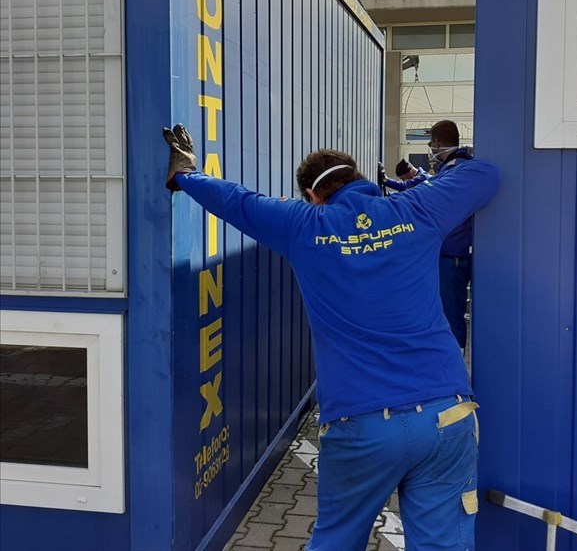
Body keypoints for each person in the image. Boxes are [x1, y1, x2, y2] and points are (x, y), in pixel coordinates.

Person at [163, 124, 499, 551]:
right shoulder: (415, 209)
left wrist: (187, 175)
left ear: (313, 195)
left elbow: (238, 202)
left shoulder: (304, 226)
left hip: (361, 422)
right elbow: (485, 175)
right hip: (444, 415)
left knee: (337, 541)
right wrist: (453, 157)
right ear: (358, 179)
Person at [428, 120, 476, 353]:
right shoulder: (453, 168)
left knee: (450, 315)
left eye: (431, 142)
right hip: (449, 254)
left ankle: (453, 368)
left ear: (437, 142)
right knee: (446, 313)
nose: (431, 147)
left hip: (453, 256)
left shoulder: (457, 169)